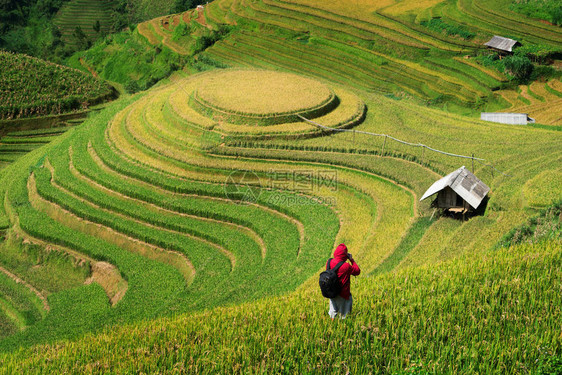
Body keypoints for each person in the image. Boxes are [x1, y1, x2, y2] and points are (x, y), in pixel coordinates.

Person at [327, 243, 360, 320]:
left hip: (331, 292)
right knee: (344, 317)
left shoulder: (329, 262)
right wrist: (351, 259)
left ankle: (332, 328)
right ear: (344, 255)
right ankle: (343, 329)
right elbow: (357, 271)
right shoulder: (346, 266)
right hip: (343, 294)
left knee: (333, 313)